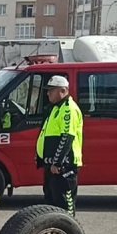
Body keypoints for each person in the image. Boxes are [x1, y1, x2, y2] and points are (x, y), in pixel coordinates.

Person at [37, 75, 84, 216]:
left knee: (65, 205)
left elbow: (67, 137)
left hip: (64, 166)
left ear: (62, 91)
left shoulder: (68, 109)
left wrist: (57, 162)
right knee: (51, 203)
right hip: (52, 166)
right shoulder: (55, 108)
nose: (48, 93)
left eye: (51, 90)